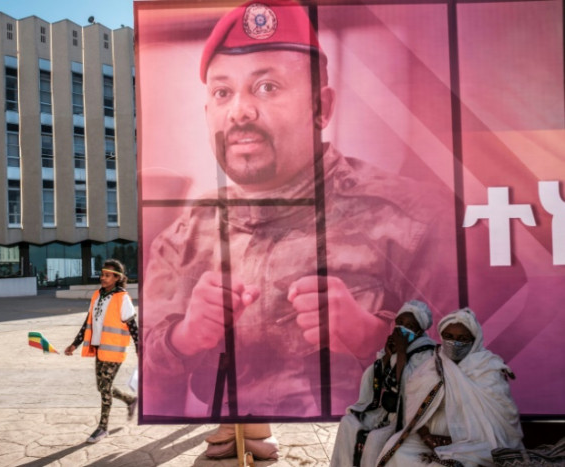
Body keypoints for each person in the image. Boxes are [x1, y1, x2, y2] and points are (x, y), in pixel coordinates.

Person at [142, 0, 457, 419]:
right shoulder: (184, 236)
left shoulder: (412, 220)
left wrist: (372, 337)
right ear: (207, 113)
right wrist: (183, 338)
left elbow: (466, 372)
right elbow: (144, 381)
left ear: (321, 108)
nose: (239, 111)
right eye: (222, 93)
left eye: (267, 87)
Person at [376, 308, 523, 466]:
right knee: (398, 453)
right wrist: (426, 436)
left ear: (474, 340)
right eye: (449, 337)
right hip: (430, 435)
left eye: (462, 338)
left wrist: (452, 440)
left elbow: (498, 423)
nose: (454, 343)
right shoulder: (431, 366)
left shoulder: (487, 369)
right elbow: (413, 409)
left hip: (475, 440)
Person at [330, 300, 436, 467]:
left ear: (420, 330)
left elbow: (411, 388)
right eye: (400, 322)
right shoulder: (394, 347)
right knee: (348, 423)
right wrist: (387, 355)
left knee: (375, 439)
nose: (402, 328)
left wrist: (401, 353)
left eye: (410, 325)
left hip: (405, 417)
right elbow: (376, 379)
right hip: (383, 412)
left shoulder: (427, 353)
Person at [64, 259, 139, 443]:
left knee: (104, 387)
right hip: (100, 348)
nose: (103, 278)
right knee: (102, 387)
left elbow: (133, 326)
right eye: (102, 274)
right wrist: (75, 344)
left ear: (117, 278)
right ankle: (130, 400)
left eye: (107, 275)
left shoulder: (122, 298)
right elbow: (88, 322)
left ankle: (102, 428)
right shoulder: (97, 295)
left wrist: (140, 348)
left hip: (115, 350)